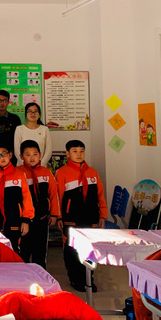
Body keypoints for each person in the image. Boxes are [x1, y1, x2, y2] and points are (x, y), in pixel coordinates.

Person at [55, 140, 107, 291]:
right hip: (70, 219)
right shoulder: (62, 172)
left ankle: (89, 279)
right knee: (72, 250)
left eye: (81, 151)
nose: (79, 154)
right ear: (67, 154)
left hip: (91, 218)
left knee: (90, 250)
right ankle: (75, 279)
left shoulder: (92, 173)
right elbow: (58, 197)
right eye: (75, 151)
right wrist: (59, 217)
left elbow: (100, 195)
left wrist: (102, 215)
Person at [0, 145, 34, 254]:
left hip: (14, 220)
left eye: (4, 154)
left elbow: (26, 198)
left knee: (13, 251)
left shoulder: (19, 174)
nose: (2, 157)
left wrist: (26, 220)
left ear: (10, 155)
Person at [17, 140, 59, 269]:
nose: (32, 157)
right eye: (28, 154)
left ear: (40, 155)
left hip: (42, 219)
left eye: (35, 154)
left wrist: (54, 214)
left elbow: (53, 194)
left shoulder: (46, 173)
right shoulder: (18, 173)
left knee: (40, 253)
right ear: (21, 156)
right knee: (23, 252)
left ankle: (40, 277)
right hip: (23, 221)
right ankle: (23, 277)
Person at [14, 102, 53, 168]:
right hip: (23, 167)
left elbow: (48, 151)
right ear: (26, 114)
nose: (33, 113)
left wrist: (40, 165)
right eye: (30, 111)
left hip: (41, 167)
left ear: (39, 114)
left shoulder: (45, 129)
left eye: (35, 111)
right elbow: (17, 151)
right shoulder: (19, 129)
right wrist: (26, 165)